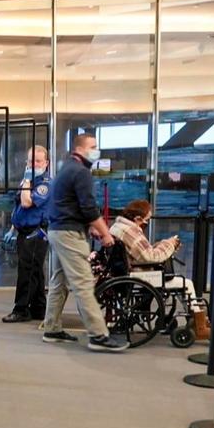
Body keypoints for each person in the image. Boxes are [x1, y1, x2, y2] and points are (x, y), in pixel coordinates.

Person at [40, 134, 129, 352]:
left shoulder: (66, 170)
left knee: (59, 281)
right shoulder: (80, 173)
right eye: (93, 147)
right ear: (79, 149)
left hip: (58, 231)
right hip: (69, 234)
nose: (96, 150)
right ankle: (98, 335)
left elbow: (69, 205)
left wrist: (90, 227)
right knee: (83, 283)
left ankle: (51, 328)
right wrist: (106, 234)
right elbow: (89, 209)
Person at [109, 200, 209, 337]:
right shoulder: (131, 231)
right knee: (186, 283)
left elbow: (141, 252)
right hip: (138, 274)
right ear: (137, 219)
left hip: (128, 270)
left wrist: (161, 244)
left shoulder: (118, 226)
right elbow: (152, 256)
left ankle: (197, 320)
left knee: (178, 281)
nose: (147, 223)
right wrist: (170, 244)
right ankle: (200, 325)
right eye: (147, 220)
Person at [3, 145, 51, 323]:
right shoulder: (27, 181)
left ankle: (21, 310)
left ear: (46, 163)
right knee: (35, 272)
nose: (34, 164)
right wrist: (12, 229)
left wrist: (27, 181)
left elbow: (26, 203)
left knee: (27, 272)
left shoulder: (45, 184)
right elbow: (19, 209)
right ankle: (39, 308)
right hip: (24, 231)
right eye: (30, 161)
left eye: (38, 161)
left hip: (36, 233)